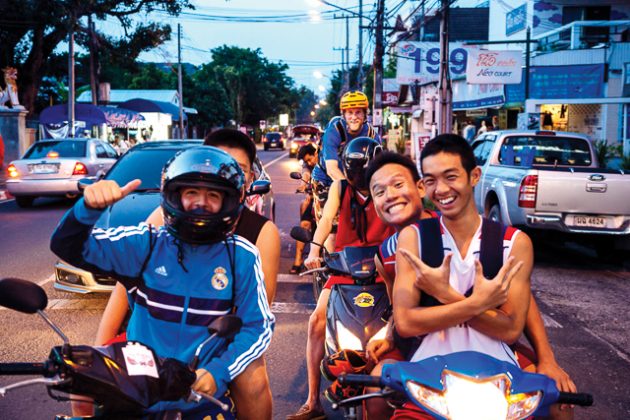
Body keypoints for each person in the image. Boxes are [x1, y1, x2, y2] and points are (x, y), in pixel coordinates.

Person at [50, 146, 275, 417]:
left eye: (213, 195)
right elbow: (67, 245)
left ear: (229, 201)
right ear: (173, 196)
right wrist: (87, 208)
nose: (200, 203)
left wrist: (218, 371)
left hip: (202, 394)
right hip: (138, 390)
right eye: (191, 193)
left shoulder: (241, 255)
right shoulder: (147, 243)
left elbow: (257, 326)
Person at [363, 150, 576, 418]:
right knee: (375, 393)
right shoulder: (385, 255)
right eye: (379, 191)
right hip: (425, 345)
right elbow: (401, 310)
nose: (391, 196)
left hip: (489, 342)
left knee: (556, 400)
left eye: (398, 184)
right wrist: (389, 334)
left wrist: (547, 357)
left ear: (420, 188)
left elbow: (522, 303)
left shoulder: (459, 229)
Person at [392, 134, 531, 417]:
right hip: (427, 376)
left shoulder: (513, 242)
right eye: (430, 180)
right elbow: (405, 322)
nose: (441, 189)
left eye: (450, 176)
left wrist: (445, 296)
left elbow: (511, 329)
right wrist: (476, 305)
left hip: (499, 378)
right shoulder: (414, 238)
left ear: (474, 176)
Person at [287, 137, 394, 420]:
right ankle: (313, 401)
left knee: (405, 324)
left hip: (384, 273)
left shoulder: (386, 189)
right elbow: (325, 221)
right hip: (344, 271)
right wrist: (313, 250)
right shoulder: (340, 188)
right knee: (317, 321)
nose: (360, 180)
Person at [311, 90, 381, 250]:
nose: (354, 117)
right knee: (333, 229)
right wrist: (351, 191)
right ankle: (328, 267)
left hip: (357, 182)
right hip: (327, 180)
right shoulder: (335, 131)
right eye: (350, 113)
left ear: (365, 114)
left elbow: (380, 166)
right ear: (343, 114)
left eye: (358, 112)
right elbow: (331, 169)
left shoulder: (372, 134)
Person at [291, 143, 318, 274]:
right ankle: (298, 260)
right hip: (315, 201)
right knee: (304, 224)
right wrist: (304, 187)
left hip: (331, 201)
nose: (309, 162)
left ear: (316, 154)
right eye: (306, 161)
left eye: (310, 159)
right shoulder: (308, 167)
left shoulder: (327, 163)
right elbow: (305, 175)